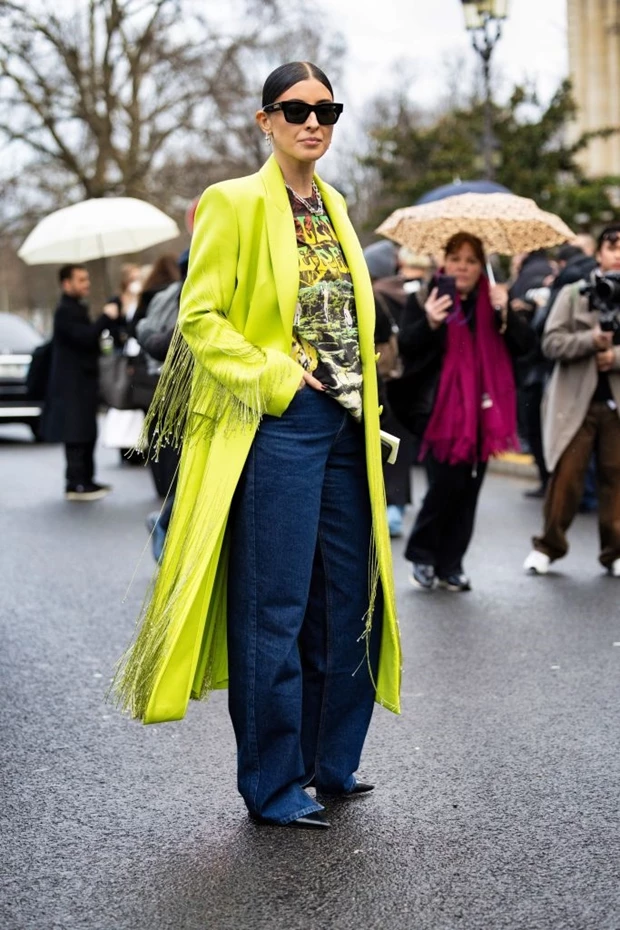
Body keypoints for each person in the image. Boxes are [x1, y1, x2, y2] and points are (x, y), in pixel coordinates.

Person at [112, 62, 401, 830]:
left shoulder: (337, 205)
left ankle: (329, 762)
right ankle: (274, 784)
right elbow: (200, 317)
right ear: (265, 119)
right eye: (295, 109)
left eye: (327, 110)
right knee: (275, 607)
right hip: (280, 423)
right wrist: (276, 378)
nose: (313, 123)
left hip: (347, 425)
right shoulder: (232, 202)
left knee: (349, 599)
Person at [394, 232, 535, 592]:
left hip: (484, 412)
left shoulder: (495, 300)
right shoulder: (427, 297)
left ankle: (451, 565)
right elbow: (407, 347)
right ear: (443, 261)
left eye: (471, 261)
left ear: (481, 266)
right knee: (444, 485)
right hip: (437, 411)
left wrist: (506, 312)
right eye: (456, 258)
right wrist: (430, 322)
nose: (463, 267)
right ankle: (423, 556)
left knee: (469, 488)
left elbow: (524, 347)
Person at [523, 223, 620, 577]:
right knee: (566, 476)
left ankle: (615, 552)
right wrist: (590, 341)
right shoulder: (575, 293)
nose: (619, 255)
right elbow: (550, 342)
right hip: (575, 402)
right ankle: (548, 547)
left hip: (615, 404)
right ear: (599, 254)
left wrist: (615, 357)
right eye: (613, 247)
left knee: (616, 479)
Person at [42, 264, 119, 500]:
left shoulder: (76, 308)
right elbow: (85, 337)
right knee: (76, 433)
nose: (87, 284)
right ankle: (76, 483)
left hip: (82, 383)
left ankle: (86, 480)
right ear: (67, 283)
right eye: (81, 280)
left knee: (86, 431)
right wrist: (105, 317)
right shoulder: (65, 311)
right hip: (71, 385)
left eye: (87, 279)